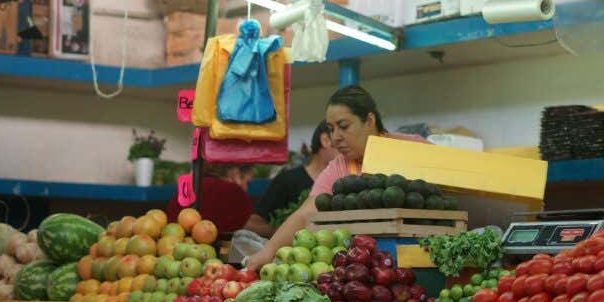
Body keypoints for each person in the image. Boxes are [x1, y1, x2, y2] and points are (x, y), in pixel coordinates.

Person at [246, 85, 425, 268]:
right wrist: (265, 254)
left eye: (344, 126)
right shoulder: (340, 166)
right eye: (331, 129)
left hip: (419, 260)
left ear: (369, 120)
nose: (335, 137)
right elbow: (305, 214)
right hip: (364, 271)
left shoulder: (414, 148)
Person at [243, 121, 336, 237]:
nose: (345, 147)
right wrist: (284, 231)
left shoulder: (344, 184)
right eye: (338, 138)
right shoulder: (287, 180)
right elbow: (255, 221)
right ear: (325, 140)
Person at [166, 164, 255, 232]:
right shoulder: (235, 193)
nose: (246, 188)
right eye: (247, 182)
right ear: (235, 172)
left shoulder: (186, 185)